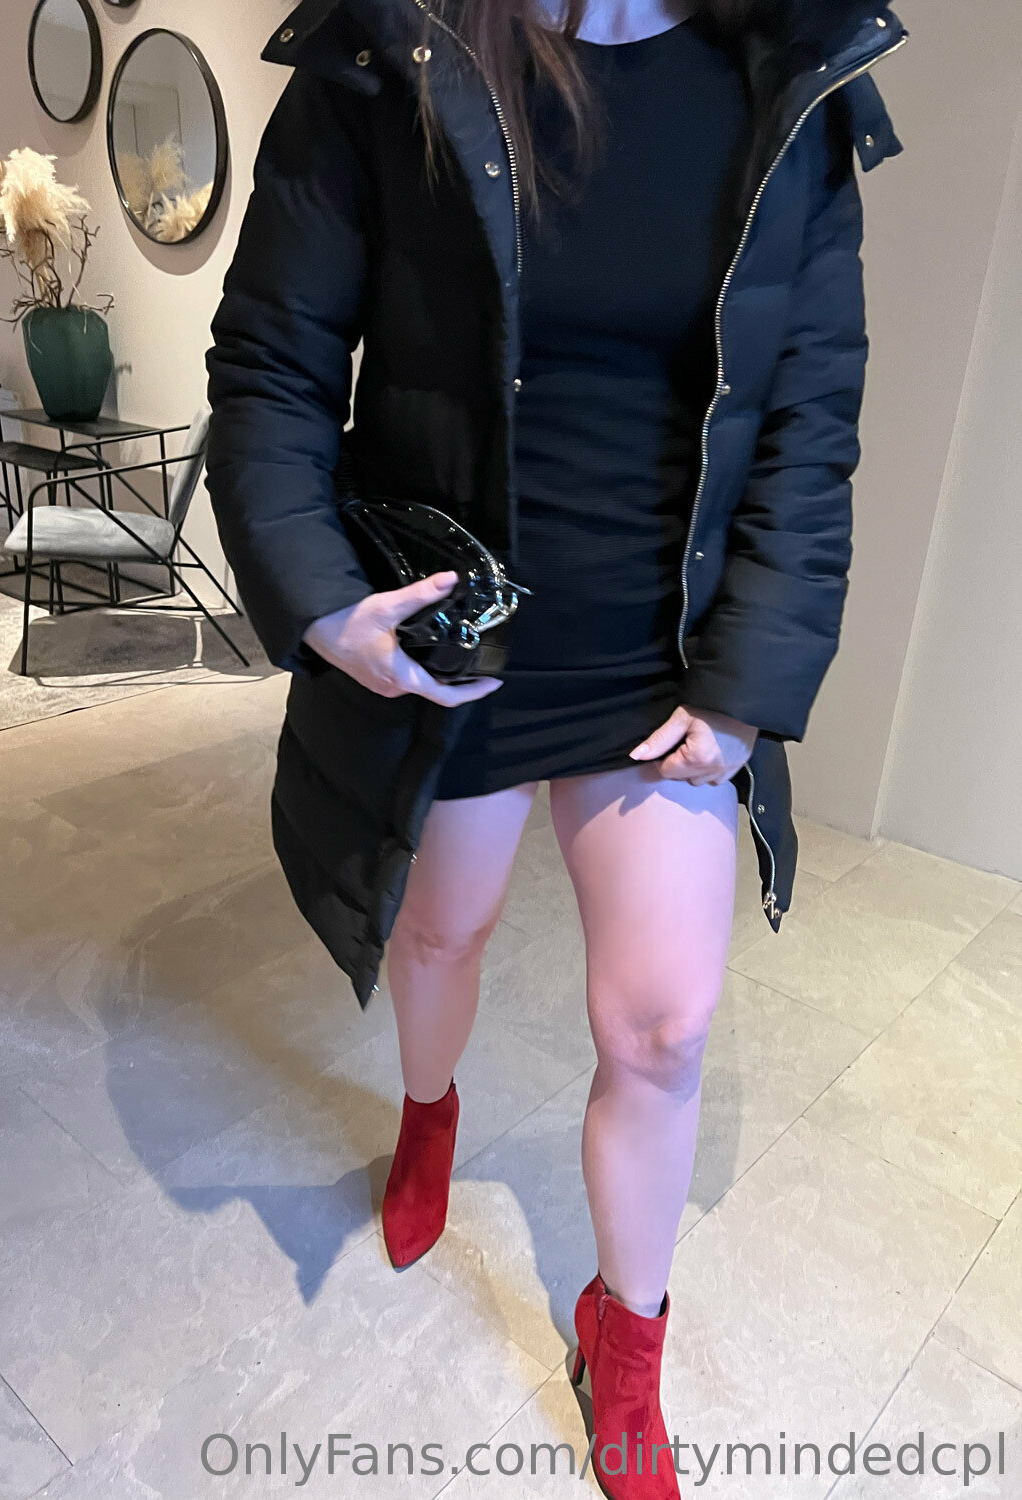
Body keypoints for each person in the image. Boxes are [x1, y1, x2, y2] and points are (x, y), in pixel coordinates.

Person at [205, 1, 907, 1493]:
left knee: (662, 1027)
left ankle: (626, 1335)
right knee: (437, 936)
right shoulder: (389, 52)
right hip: (453, 641)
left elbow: (810, 423)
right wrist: (321, 599)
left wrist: (747, 683)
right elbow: (274, 358)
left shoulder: (788, 77)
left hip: (661, 663)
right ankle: (429, 1115)